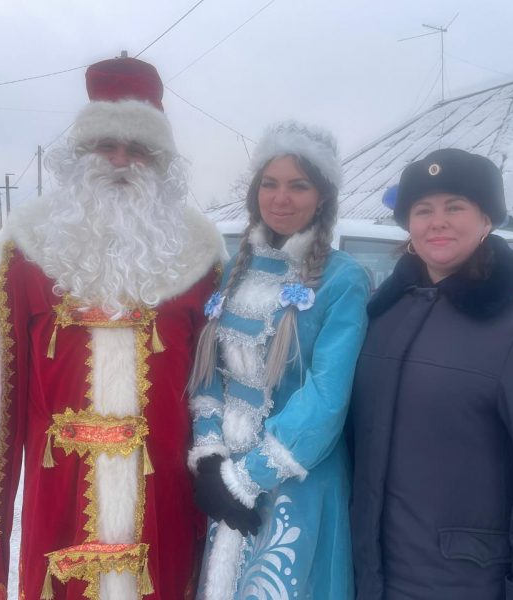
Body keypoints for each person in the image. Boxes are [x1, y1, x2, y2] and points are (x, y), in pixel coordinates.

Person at [0, 56, 226, 600]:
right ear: (81, 155)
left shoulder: (200, 255)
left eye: (138, 149)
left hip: (165, 494)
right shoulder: (26, 248)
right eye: (106, 146)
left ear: (160, 162)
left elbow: (227, 366)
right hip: (62, 499)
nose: (121, 161)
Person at [350, 148, 513, 599]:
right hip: (369, 576)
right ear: (408, 224)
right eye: (422, 210)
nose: (437, 221)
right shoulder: (382, 313)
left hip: (465, 584)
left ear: (487, 219)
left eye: (455, 207)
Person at [187, 122, 369, 599]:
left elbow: (328, 396)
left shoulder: (343, 279)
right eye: (270, 183)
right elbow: (210, 372)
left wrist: (247, 478)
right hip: (227, 473)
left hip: (296, 478)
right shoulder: (235, 269)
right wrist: (210, 459)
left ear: (323, 197)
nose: (281, 198)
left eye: (298, 185)